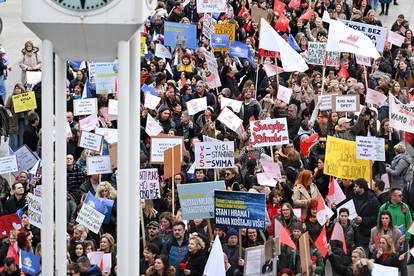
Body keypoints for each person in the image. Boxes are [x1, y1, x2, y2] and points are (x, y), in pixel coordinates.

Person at [352, 178, 380, 254]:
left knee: (365, 256)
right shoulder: (354, 197)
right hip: (356, 233)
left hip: (367, 234)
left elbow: (376, 217)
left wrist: (363, 220)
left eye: (356, 186)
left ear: (362, 188)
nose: (354, 188)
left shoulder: (373, 200)